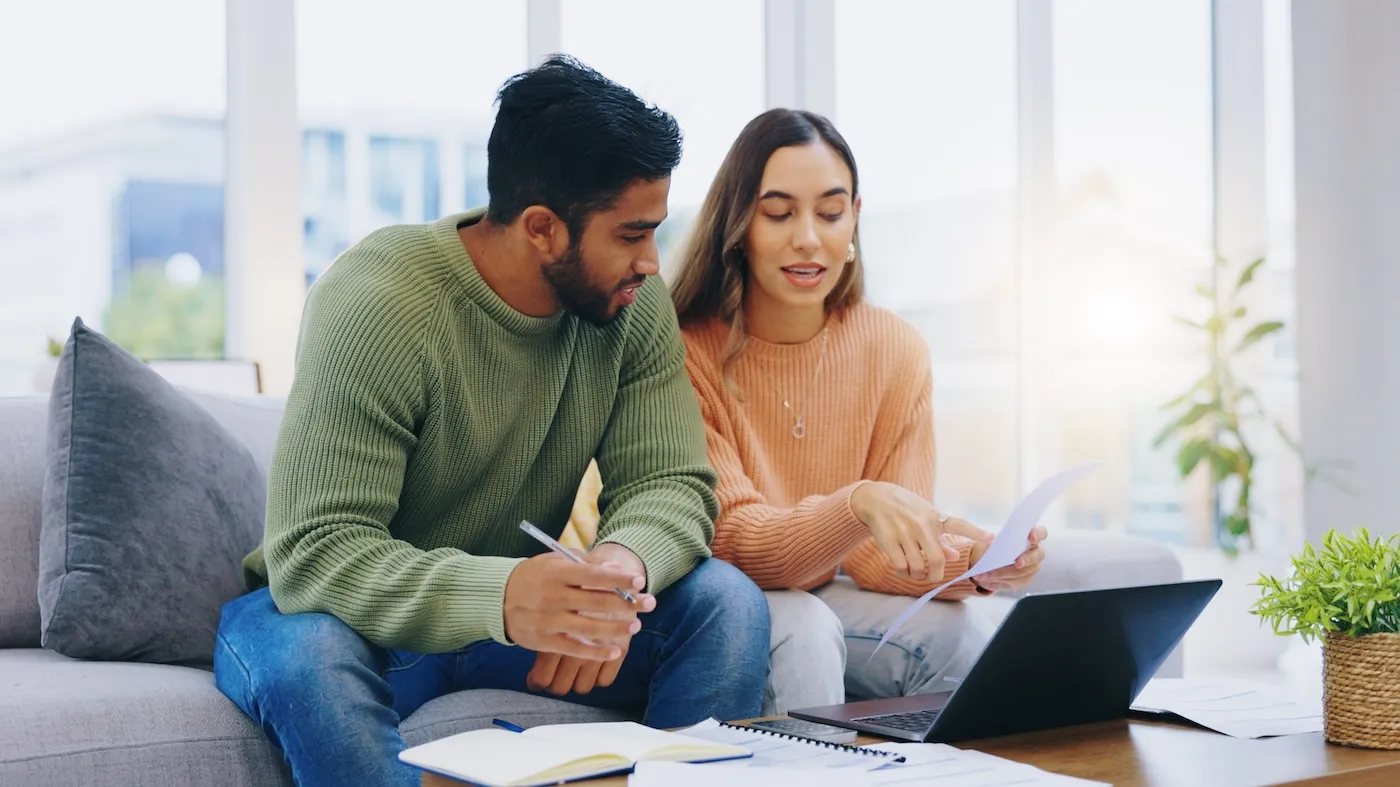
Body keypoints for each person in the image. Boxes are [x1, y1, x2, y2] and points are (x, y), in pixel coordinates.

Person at [213, 56, 770, 787]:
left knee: (725, 604)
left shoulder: (631, 306)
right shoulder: (379, 301)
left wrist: (616, 572)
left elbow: (673, 483)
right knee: (308, 659)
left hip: (519, 626)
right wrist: (504, 595)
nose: (650, 261)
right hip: (349, 620)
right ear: (542, 227)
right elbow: (314, 552)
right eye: (631, 234)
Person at [667, 108, 1048, 715]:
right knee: (808, 631)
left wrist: (973, 561)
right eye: (778, 212)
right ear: (738, 224)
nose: (808, 238)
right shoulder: (685, 351)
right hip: (727, 596)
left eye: (829, 211)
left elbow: (874, 552)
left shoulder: (894, 348)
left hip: (822, 591)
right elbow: (733, 542)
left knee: (961, 633)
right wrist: (858, 503)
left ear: (855, 220)